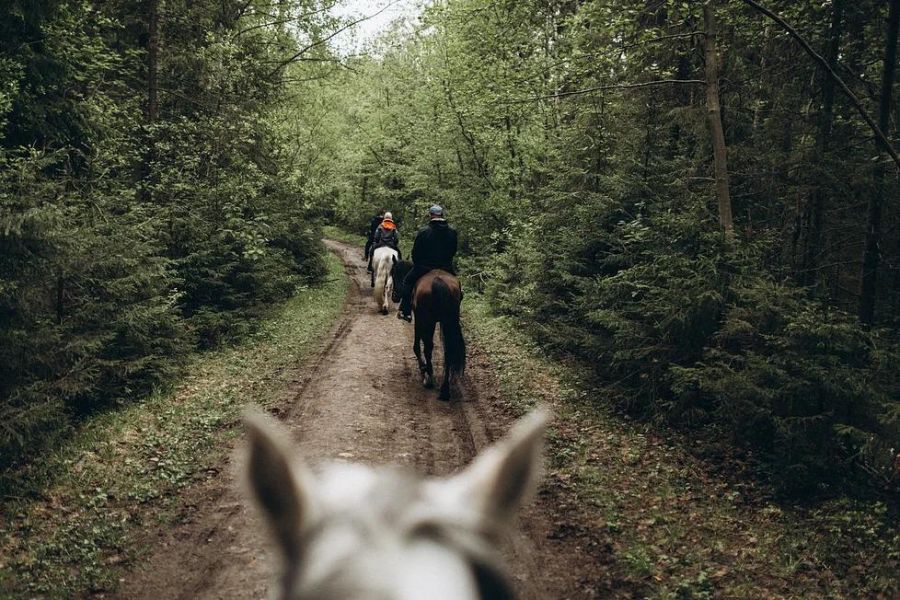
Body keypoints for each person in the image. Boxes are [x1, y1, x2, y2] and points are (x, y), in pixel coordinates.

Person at [397, 205, 458, 322]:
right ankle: (455, 311)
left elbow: (415, 252)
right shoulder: (452, 232)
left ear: (430, 215)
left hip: (424, 267)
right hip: (446, 267)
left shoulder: (424, 231)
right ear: (442, 215)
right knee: (458, 287)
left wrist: (418, 263)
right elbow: (453, 250)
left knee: (407, 282)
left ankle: (406, 311)